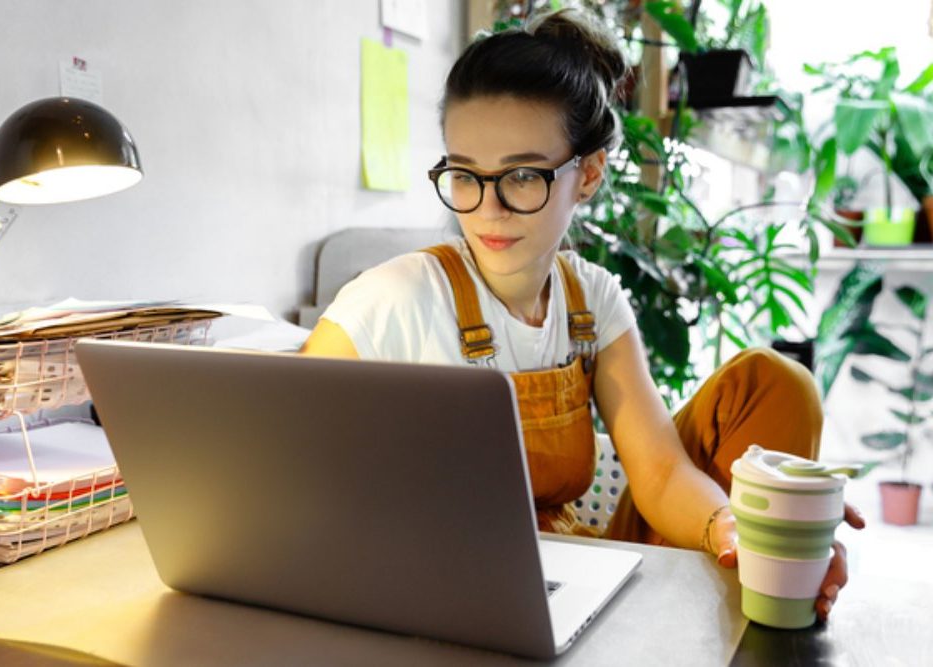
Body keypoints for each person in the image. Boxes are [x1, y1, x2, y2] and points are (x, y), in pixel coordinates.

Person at [300, 9, 864, 622]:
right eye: (465, 175)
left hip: (570, 577)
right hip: (438, 590)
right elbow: (285, 453)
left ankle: (759, 587)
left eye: (521, 175)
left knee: (774, 383)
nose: (488, 209)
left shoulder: (592, 300)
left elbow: (662, 473)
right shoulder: (393, 298)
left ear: (588, 173)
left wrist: (735, 526)